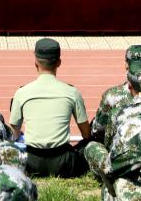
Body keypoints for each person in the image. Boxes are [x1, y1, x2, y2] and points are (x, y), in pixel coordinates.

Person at [9, 38, 90, 178]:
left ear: (35, 62)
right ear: (59, 62)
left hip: (31, 162)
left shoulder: (21, 93)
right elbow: (86, 134)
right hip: (63, 164)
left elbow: (13, 134)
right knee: (91, 143)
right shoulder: (72, 92)